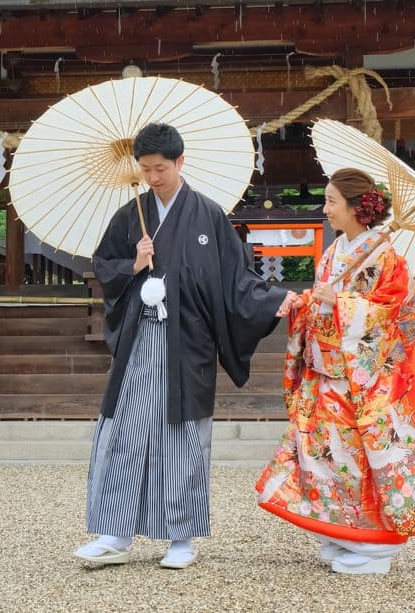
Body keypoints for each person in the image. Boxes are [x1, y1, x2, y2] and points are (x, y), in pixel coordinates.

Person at [75, 122, 297, 570]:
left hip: (188, 341)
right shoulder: (131, 215)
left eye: (160, 168)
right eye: (145, 169)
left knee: (182, 437)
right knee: (126, 430)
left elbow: (236, 278)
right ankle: (115, 533)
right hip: (140, 338)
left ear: (180, 162)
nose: (152, 177)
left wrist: (273, 299)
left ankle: (181, 538)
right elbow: (104, 264)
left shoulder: (208, 215)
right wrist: (134, 264)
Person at [255, 167, 415, 574]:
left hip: (360, 383)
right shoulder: (337, 249)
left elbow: (395, 311)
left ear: (356, 208)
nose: (325, 208)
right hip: (326, 375)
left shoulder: (385, 256)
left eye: (331, 201)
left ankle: (376, 548)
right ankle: (341, 534)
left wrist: (342, 304)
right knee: (324, 459)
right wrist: (304, 302)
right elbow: (323, 299)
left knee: (362, 464)